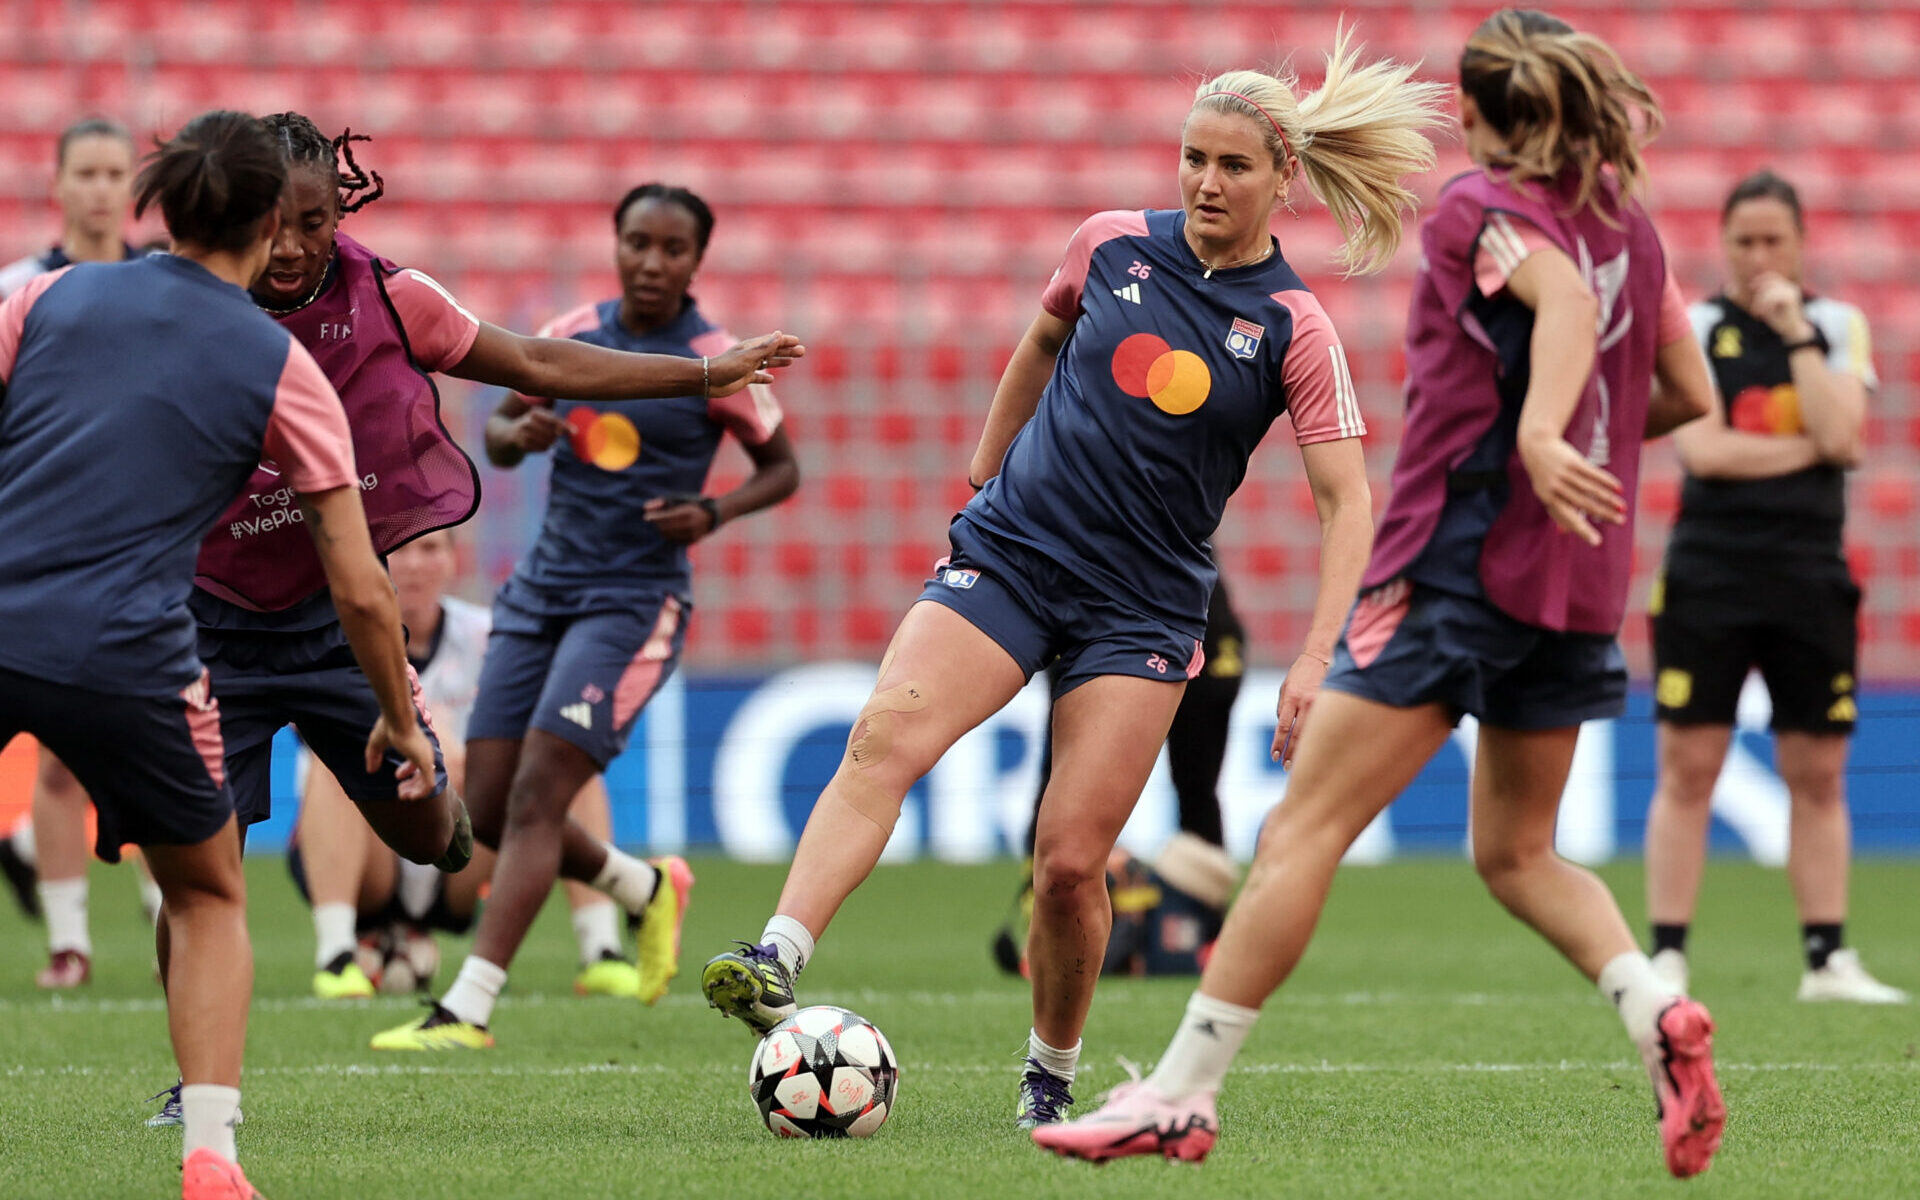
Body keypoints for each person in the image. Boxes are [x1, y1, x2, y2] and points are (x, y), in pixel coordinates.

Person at [703, 30, 1444, 1132]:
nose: (1205, 179)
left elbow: (1349, 506)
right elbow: (1039, 342)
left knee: (1066, 864)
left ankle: (1049, 1073)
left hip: (1140, 612)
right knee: (881, 741)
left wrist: (1312, 657)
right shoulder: (1106, 244)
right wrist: (985, 466)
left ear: (1283, 178)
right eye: (1193, 156)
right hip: (1011, 557)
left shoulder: (1294, 328)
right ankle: (776, 955)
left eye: (1233, 164)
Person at [1034, 11, 1726, 1178]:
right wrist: (1563, 442)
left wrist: (1537, 436)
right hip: (1575, 585)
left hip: (1457, 567)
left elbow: (1552, 298)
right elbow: (1685, 389)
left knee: (1300, 830)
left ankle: (1180, 1095)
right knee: (1517, 854)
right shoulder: (1634, 230)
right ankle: (1655, 1010)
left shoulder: (1481, 211)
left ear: (1502, 118)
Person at [140, 116, 797, 1105]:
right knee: (202, 866)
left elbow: (539, 364)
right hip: (211, 621)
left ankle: (483, 847)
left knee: (441, 833)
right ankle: (195, 1091)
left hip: (339, 626)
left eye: (312, 223)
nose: (290, 247)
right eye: (271, 224)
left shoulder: (390, 297)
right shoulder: (183, 299)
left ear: (340, 210)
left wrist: (704, 374)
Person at [0, 108, 428, 1200]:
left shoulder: (43, 297)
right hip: (131, 653)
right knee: (205, 896)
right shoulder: (280, 365)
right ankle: (211, 1159)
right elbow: (360, 586)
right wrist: (395, 714)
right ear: (270, 218)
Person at [370, 182, 801, 1050]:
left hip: (634, 601)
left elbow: (782, 468)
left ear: (695, 261)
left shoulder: (715, 359)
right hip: (542, 590)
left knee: (536, 795)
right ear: (617, 243)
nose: (652, 261)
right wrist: (514, 439)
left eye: (672, 249)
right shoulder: (571, 334)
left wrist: (713, 513)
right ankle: (643, 889)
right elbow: (495, 431)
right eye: (638, 242)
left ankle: (468, 1007)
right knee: (485, 806)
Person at [1644, 170, 1904, 1004]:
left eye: (1773, 241)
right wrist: (1820, 445)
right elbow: (1708, 453)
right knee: (1689, 765)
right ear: (1723, 245)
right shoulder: (1698, 325)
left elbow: (1849, 438)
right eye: (1744, 241)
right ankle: (1668, 955)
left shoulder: (1833, 325)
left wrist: (1796, 338)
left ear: (1798, 245)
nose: (1758, 256)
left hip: (1808, 573)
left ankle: (1827, 958)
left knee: (1819, 772)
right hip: (1710, 571)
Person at [291, 530, 642, 1000]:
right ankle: (336, 956)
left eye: (430, 549)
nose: (414, 565)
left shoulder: (490, 637)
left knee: (567, 762)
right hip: (369, 845)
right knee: (330, 761)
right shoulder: (338, 633)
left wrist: (456, 765)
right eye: (401, 550)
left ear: (453, 560)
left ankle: (601, 949)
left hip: (461, 841)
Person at [0, 115, 165, 988]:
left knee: (152, 730)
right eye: (87, 173)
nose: (102, 189)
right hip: (46, 543)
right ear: (58, 185)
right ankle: (70, 941)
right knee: (60, 747)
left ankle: (166, 898)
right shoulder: (17, 290)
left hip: (151, 543)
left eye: (115, 173)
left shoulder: (169, 285)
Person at [991, 571, 1245, 977]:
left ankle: (1203, 931)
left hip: (1198, 630)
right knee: (1065, 775)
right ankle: (1048, 915)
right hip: (1109, 615)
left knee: (1196, 787)